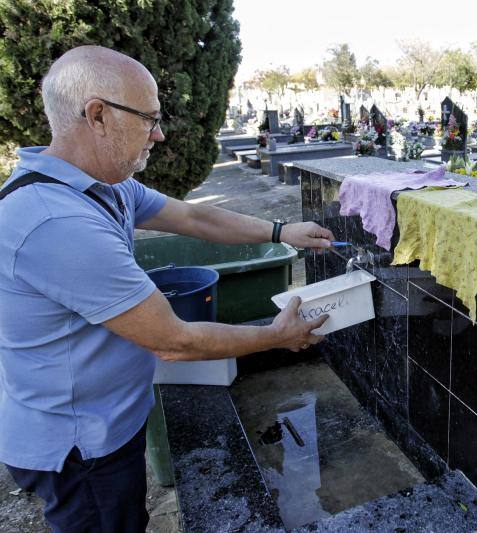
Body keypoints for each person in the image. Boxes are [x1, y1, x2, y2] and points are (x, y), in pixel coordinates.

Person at [0, 45, 332, 532]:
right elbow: (173, 340)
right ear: (98, 116)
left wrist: (281, 231)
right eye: (149, 119)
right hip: (80, 444)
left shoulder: (102, 185)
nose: (158, 133)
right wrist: (277, 337)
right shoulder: (55, 222)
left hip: (107, 421)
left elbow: (194, 217)